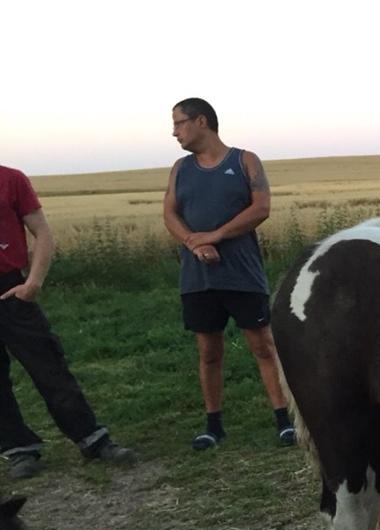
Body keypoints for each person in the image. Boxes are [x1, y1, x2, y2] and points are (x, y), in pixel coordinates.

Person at [162, 97, 295, 451]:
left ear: (201, 121)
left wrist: (215, 236)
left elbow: (262, 207)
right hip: (197, 277)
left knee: (263, 345)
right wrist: (194, 244)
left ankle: (285, 420)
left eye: (179, 123)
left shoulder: (244, 161)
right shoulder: (180, 168)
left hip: (242, 274)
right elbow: (170, 214)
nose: (174, 131)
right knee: (208, 351)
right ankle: (213, 425)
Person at [0, 165, 136, 479]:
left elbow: (42, 232)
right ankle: (18, 449)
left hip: (11, 288)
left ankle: (93, 440)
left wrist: (33, 283)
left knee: (48, 367)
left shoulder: (11, 180)